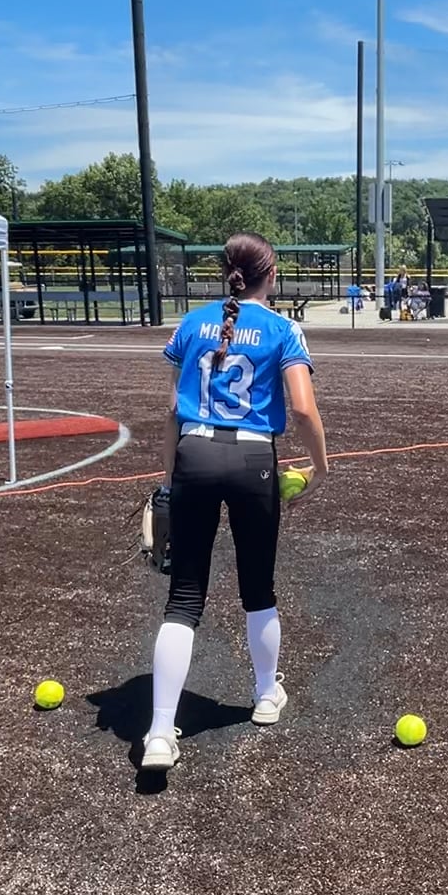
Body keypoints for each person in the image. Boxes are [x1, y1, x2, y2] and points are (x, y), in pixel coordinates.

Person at [143, 232, 330, 772]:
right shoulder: (283, 329)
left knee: (183, 599)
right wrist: (320, 468)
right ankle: (266, 693)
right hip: (253, 461)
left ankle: (159, 732)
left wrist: (169, 479)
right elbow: (303, 409)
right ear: (271, 275)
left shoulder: (191, 322)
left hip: (194, 455)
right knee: (258, 587)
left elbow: (172, 411)